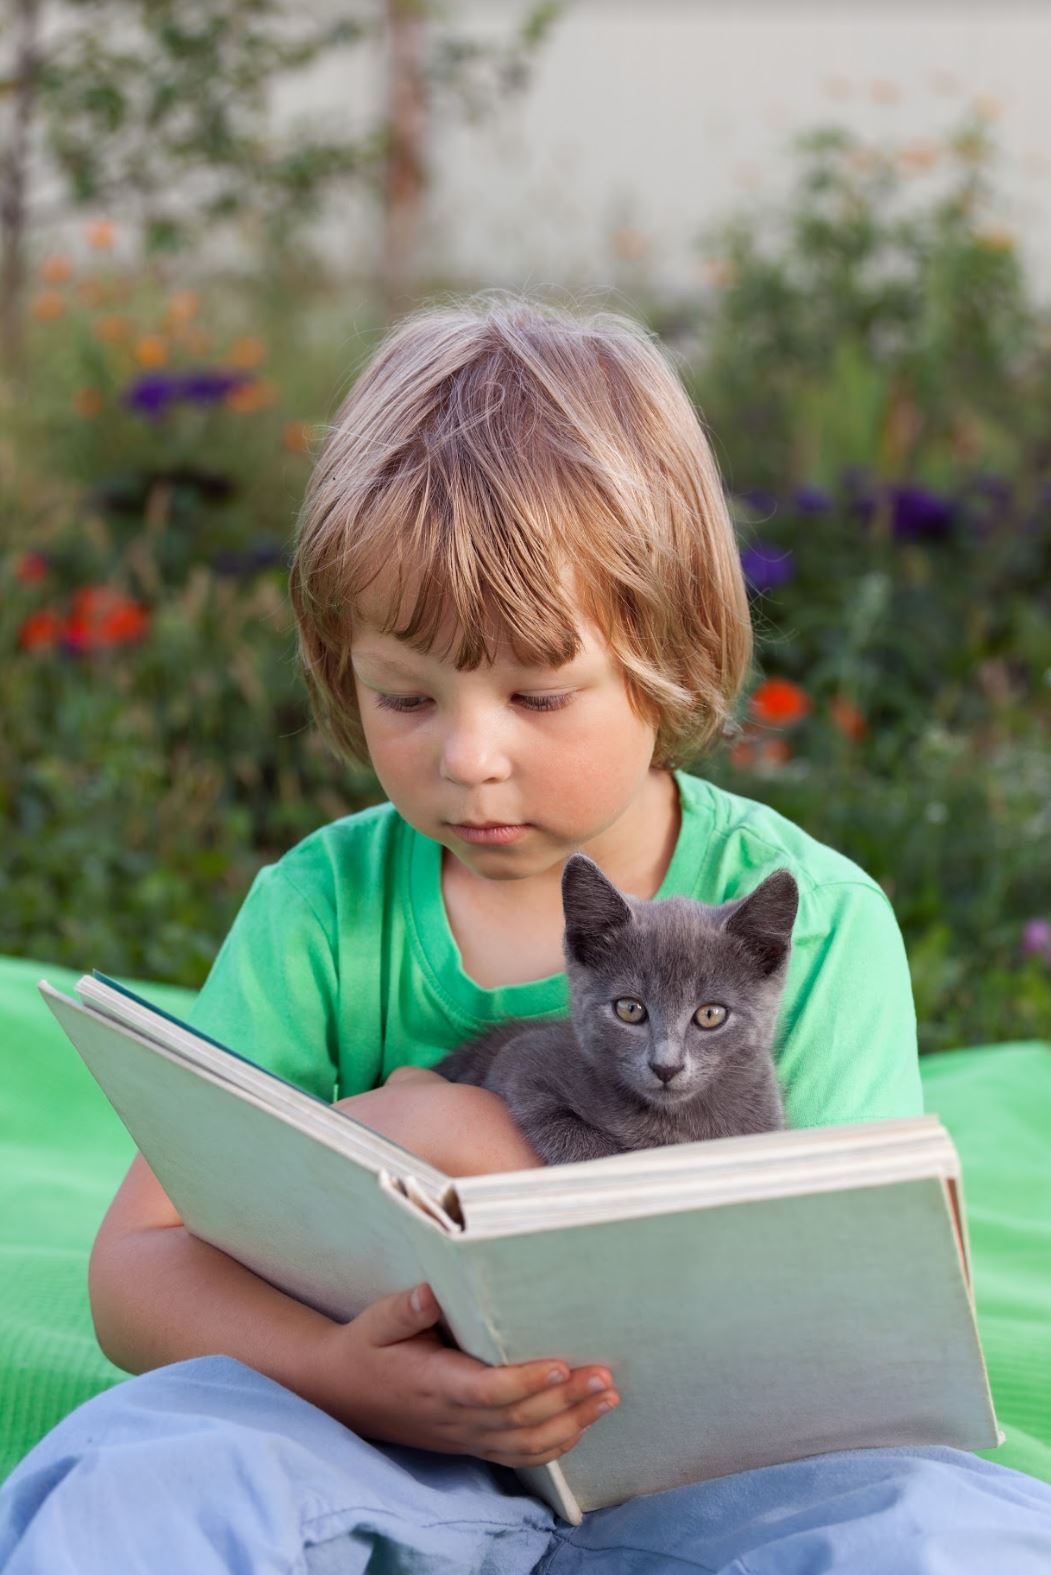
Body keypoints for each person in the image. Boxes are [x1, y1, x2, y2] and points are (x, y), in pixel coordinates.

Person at [2, 292, 1050, 1574]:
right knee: (139, 1477)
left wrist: (475, 1145)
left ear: (666, 657)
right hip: (373, 1443)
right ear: (342, 670)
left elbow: (862, 1336)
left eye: (539, 692)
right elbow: (138, 1269)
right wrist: (342, 1373)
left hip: (718, 1479)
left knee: (954, 1531)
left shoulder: (808, 923)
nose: (469, 758)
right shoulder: (324, 910)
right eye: (405, 694)